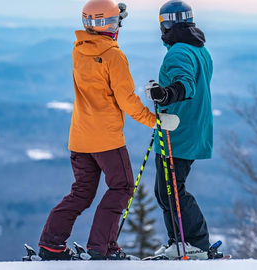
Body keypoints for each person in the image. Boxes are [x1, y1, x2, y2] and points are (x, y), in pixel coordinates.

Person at [37, 0, 179, 261]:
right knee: (122, 187)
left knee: (81, 192)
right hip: (107, 141)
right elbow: (126, 100)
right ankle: (101, 247)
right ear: (109, 25)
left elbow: (98, 42)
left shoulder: (78, 50)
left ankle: (50, 244)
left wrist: (109, 19)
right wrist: (155, 121)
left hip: (80, 140)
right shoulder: (114, 56)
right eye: (113, 22)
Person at [145, 0, 214, 260]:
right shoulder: (200, 50)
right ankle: (179, 241)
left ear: (167, 24)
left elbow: (185, 85)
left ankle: (195, 242)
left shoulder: (178, 52)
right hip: (192, 129)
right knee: (167, 189)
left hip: (179, 133)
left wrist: (164, 95)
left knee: (171, 189)